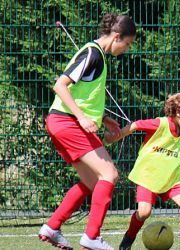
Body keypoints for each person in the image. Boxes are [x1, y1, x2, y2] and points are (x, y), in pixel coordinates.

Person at [38, 13, 136, 250]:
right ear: (116, 36)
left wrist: (103, 118)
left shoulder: (98, 55)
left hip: (62, 122)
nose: (126, 49)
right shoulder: (92, 53)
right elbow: (60, 86)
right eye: (128, 44)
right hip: (67, 122)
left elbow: (83, 94)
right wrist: (82, 118)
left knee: (93, 181)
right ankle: (92, 237)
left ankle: (53, 226)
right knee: (110, 175)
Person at [104, 90, 180, 250]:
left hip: (170, 177)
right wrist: (116, 136)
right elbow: (136, 124)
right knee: (144, 212)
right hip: (148, 177)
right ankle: (128, 239)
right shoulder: (161, 123)